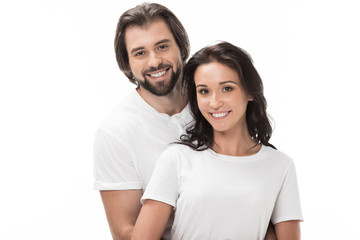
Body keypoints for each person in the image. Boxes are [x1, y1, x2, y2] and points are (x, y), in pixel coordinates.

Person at [94, 3, 277, 240]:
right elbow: (125, 231)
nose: (154, 61)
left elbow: (259, 188)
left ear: (181, 48)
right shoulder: (115, 133)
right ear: (127, 63)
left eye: (162, 46)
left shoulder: (215, 102)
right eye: (140, 53)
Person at [132, 42, 303, 240]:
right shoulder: (176, 159)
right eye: (204, 91)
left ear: (250, 92)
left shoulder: (280, 166)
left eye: (227, 89)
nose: (214, 103)